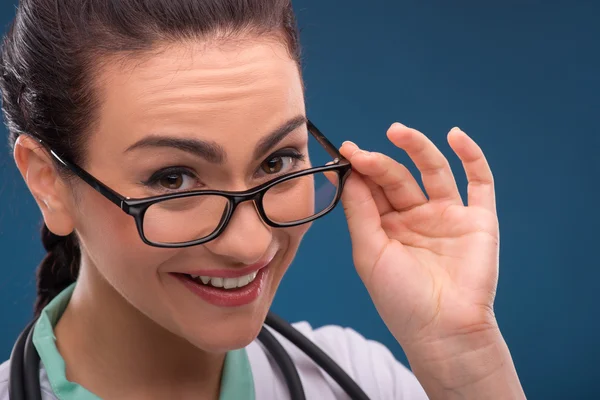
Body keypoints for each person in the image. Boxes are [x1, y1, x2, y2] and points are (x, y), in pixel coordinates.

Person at [0, 0, 526, 399]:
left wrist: (464, 358)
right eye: (174, 179)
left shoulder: (361, 380)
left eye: (276, 162)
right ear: (48, 181)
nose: (251, 243)